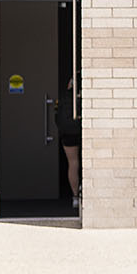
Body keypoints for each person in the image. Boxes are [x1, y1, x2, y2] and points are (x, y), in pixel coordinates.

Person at [59, 77, 83, 208]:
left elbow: (58, 117)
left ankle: (75, 197)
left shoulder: (64, 97)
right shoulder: (83, 95)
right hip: (82, 129)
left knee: (73, 163)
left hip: (68, 132)